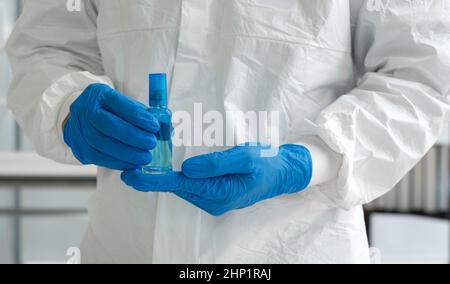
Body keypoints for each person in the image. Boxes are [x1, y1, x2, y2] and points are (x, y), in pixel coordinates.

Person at [6, 0, 450, 264]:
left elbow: (420, 76)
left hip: (297, 247)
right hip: (123, 246)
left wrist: (309, 161)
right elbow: (45, 48)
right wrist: (68, 105)